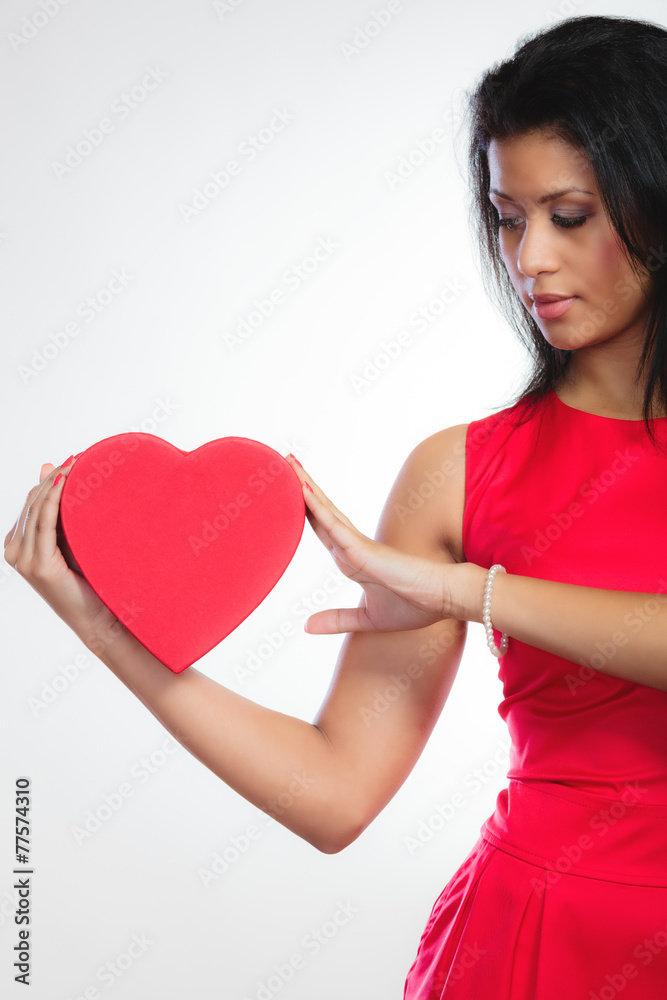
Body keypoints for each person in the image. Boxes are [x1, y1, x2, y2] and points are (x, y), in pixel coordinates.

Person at [6, 11, 667, 997]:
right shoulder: (460, 471)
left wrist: (463, 592)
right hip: (534, 943)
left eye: (566, 215)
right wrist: (107, 630)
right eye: (505, 217)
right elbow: (336, 793)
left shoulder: (455, 565)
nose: (527, 260)